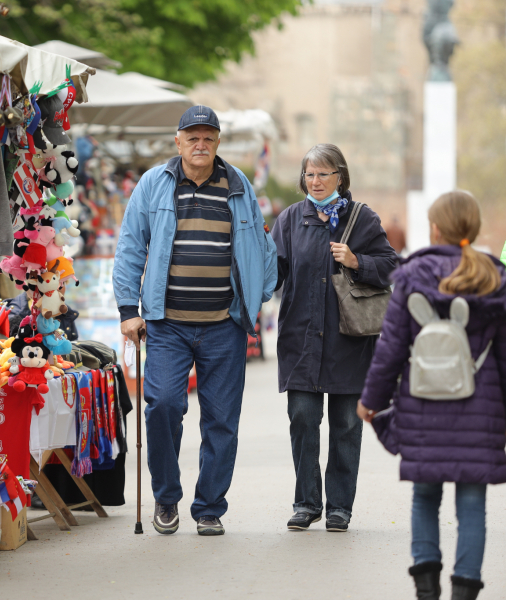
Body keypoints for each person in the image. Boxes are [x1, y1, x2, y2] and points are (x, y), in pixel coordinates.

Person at [113, 105, 277, 536]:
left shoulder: (237, 185)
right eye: (192, 137)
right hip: (167, 324)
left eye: (208, 137)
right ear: (178, 141)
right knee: (163, 405)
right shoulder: (154, 184)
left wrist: (255, 298)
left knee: (222, 418)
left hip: (225, 324)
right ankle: (167, 498)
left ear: (217, 141)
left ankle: (209, 508)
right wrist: (129, 310)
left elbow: (262, 249)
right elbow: (130, 245)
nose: (200, 144)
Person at [358, 191, 506, 600]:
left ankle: (426, 591)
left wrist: (370, 400)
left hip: (424, 408)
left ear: (435, 228)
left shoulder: (411, 275)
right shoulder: (495, 278)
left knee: (425, 496)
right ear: (472, 229)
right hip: (481, 408)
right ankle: (464, 592)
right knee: (472, 505)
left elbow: (391, 347)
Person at [271, 144, 397, 533]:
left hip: (350, 342)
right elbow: (272, 272)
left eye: (324, 174)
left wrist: (358, 262)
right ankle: (307, 503)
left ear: (340, 177)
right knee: (303, 420)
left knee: (346, 426)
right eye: (310, 174)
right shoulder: (290, 220)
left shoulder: (363, 220)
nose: (316, 181)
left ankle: (339, 507)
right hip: (301, 340)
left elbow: (392, 266)